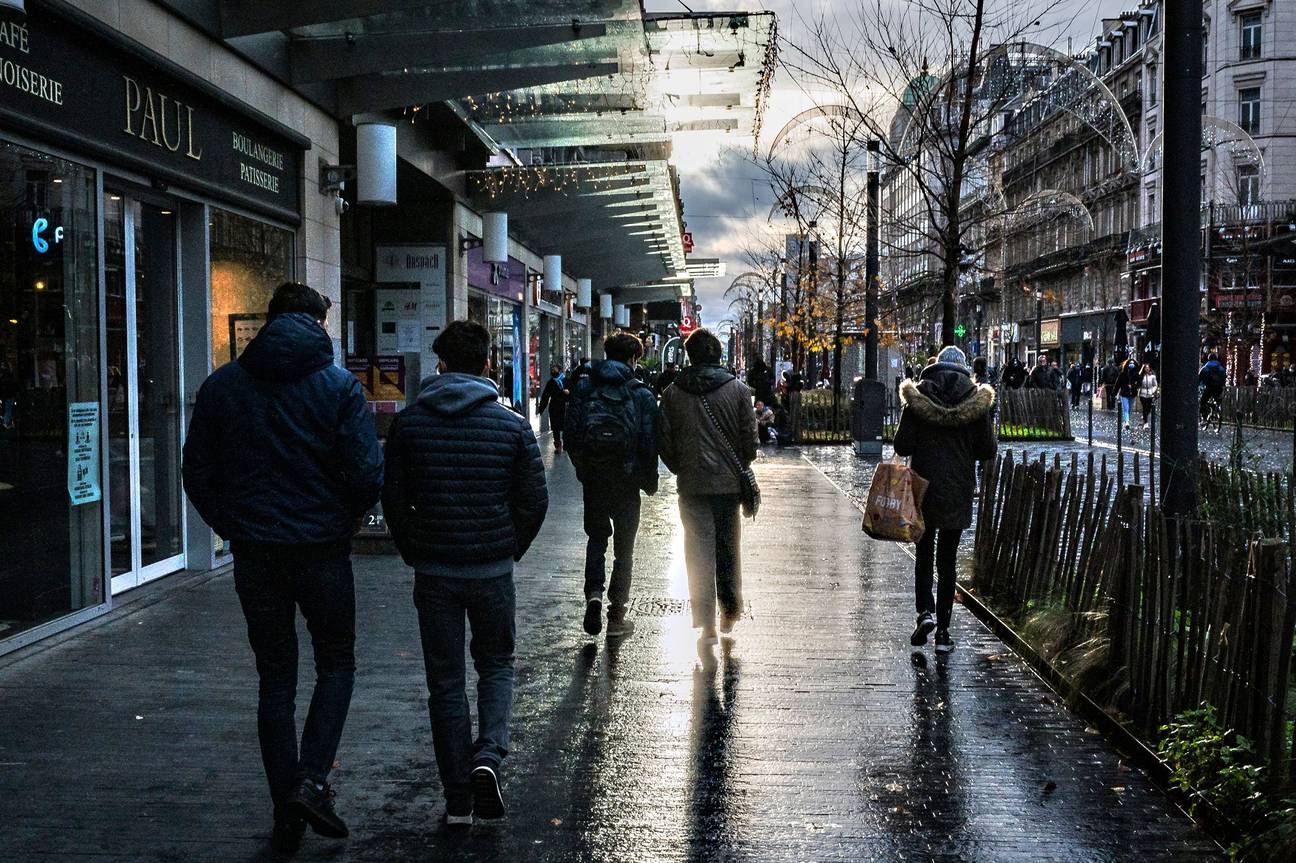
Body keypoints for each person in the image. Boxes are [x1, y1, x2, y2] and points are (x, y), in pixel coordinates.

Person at [182, 283, 383, 852]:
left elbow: (195, 470)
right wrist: (341, 518)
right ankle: (312, 781)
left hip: (256, 554)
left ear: (269, 322)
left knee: (276, 678)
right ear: (319, 323)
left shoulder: (223, 386)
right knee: (336, 663)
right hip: (321, 551)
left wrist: (233, 524)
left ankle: (285, 808)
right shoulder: (339, 387)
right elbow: (367, 474)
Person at [382, 320, 548, 829]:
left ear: (441, 365)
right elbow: (534, 502)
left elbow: (393, 501)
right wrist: (508, 548)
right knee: (496, 665)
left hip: (434, 573)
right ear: (486, 365)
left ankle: (457, 799)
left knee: (446, 682)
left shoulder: (409, 424)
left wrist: (416, 550)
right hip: (492, 571)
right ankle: (488, 758)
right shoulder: (513, 426)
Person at [893, 346, 996, 654]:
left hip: (923, 488)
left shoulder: (917, 400)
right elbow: (987, 450)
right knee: (947, 560)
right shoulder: (976, 403)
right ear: (965, 371)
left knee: (924, 552)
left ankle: (924, 612)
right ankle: (944, 633)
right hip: (958, 489)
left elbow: (902, 443)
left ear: (934, 369)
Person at [659, 329, 758, 648]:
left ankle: (705, 620)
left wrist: (680, 467)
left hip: (691, 484)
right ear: (717, 354)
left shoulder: (673, 393)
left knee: (697, 551)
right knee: (728, 549)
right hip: (728, 486)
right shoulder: (739, 390)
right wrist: (737, 464)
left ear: (690, 356)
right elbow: (750, 444)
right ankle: (729, 611)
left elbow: (665, 439)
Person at [565, 332, 658, 638]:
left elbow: (571, 432)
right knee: (624, 550)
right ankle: (617, 616)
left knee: (596, 538)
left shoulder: (584, 384)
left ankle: (593, 594)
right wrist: (650, 480)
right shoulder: (641, 393)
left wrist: (583, 467)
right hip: (627, 480)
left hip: (594, 477)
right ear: (633, 359)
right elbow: (648, 441)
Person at [537, 365, 570, 453]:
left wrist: (568, 393)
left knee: (565, 426)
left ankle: (566, 444)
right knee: (555, 427)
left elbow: (573, 393)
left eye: (554, 370)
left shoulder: (566, 380)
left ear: (559, 370)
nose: (553, 371)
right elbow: (545, 396)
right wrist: (541, 408)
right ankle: (558, 446)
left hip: (565, 407)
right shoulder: (550, 382)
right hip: (554, 407)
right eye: (552, 370)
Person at [1198, 353, 1226, 420]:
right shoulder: (1221, 368)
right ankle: (1216, 409)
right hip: (1218, 388)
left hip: (1208, 388)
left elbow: (1199, 379)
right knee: (1217, 398)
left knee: (1203, 401)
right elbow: (1224, 377)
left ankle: (1204, 416)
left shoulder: (1205, 368)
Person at [1115, 356, 1140, 429]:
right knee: (1126, 408)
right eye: (1130, 363)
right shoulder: (1123, 374)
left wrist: (1135, 386)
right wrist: (1114, 393)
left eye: (1133, 363)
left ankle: (1127, 421)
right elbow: (1118, 384)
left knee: (1130, 409)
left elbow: (1139, 383)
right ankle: (1127, 422)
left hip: (1132, 393)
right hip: (1124, 393)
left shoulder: (1136, 374)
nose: (1131, 364)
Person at [1138, 362, 1158, 429]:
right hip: (1142, 394)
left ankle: (1145, 416)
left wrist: (1153, 391)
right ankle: (1146, 423)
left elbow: (1155, 385)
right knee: (1144, 408)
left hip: (1150, 394)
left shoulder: (1152, 376)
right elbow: (1138, 376)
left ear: (1149, 368)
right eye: (1145, 368)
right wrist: (1141, 368)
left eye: (1147, 368)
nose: (1147, 369)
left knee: (1149, 408)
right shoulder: (1142, 376)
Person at [0, 361, 16, 430]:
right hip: (8, 393)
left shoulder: (3, 374)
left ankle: (5, 422)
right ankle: (6, 422)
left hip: (5, 393)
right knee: (8, 408)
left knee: (6, 408)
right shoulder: (8, 374)